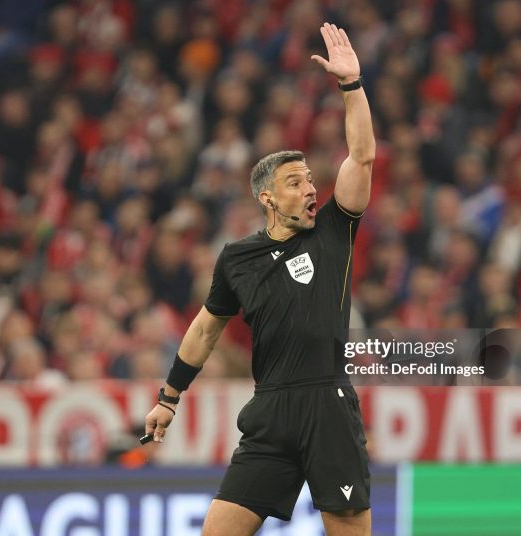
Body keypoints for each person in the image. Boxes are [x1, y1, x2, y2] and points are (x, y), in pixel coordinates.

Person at [144, 23, 375, 536]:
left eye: (311, 179)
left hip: (327, 404)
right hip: (270, 409)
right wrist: (168, 397)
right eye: (296, 182)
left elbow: (361, 157)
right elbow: (205, 329)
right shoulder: (238, 259)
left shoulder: (334, 231)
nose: (311, 188)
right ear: (267, 198)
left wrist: (351, 87)